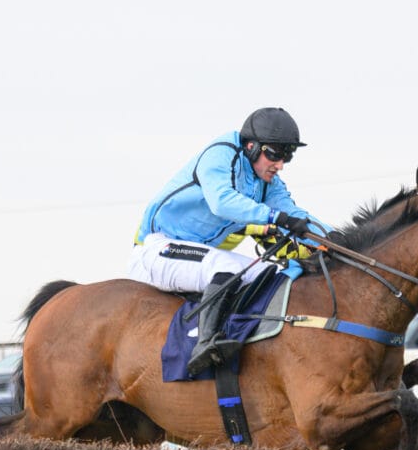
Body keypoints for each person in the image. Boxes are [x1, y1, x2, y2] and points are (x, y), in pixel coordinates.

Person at [130, 107, 344, 374]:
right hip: (156, 248)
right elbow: (222, 202)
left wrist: (334, 238)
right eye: (275, 154)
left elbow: (294, 215)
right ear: (251, 146)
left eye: (287, 156)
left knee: (272, 274)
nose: (280, 164)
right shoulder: (220, 154)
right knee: (228, 269)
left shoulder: (267, 182)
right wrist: (276, 217)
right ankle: (206, 345)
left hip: (195, 253)